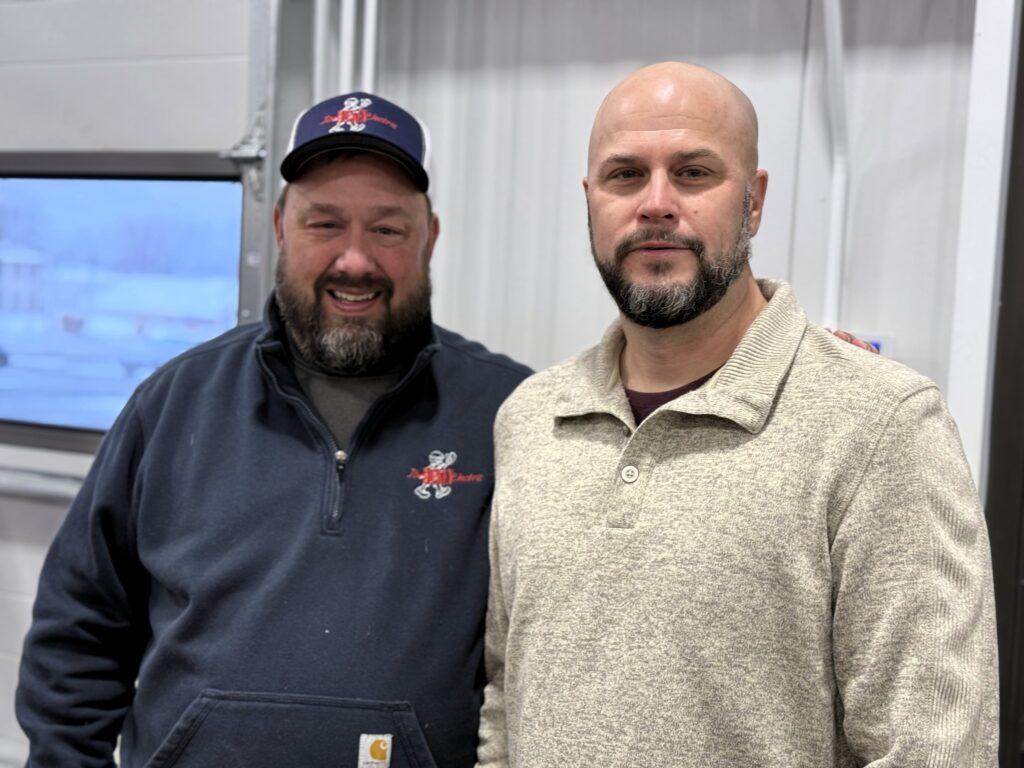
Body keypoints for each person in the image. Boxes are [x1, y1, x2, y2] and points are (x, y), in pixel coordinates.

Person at [476, 62, 999, 767]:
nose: (656, 202)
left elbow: (934, 748)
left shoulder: (880, 426)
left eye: (693, 173)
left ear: (754, 202)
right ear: (590, 199)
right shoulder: (534, 420)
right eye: (625, 175)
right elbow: (510, 701)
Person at [16, 92, 531, 768]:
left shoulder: (507, 414)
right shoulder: (173, 404)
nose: (355, 260)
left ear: (429, 237)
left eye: (386, 229)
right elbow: (78, 630)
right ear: (282, 227)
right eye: (325, 224)